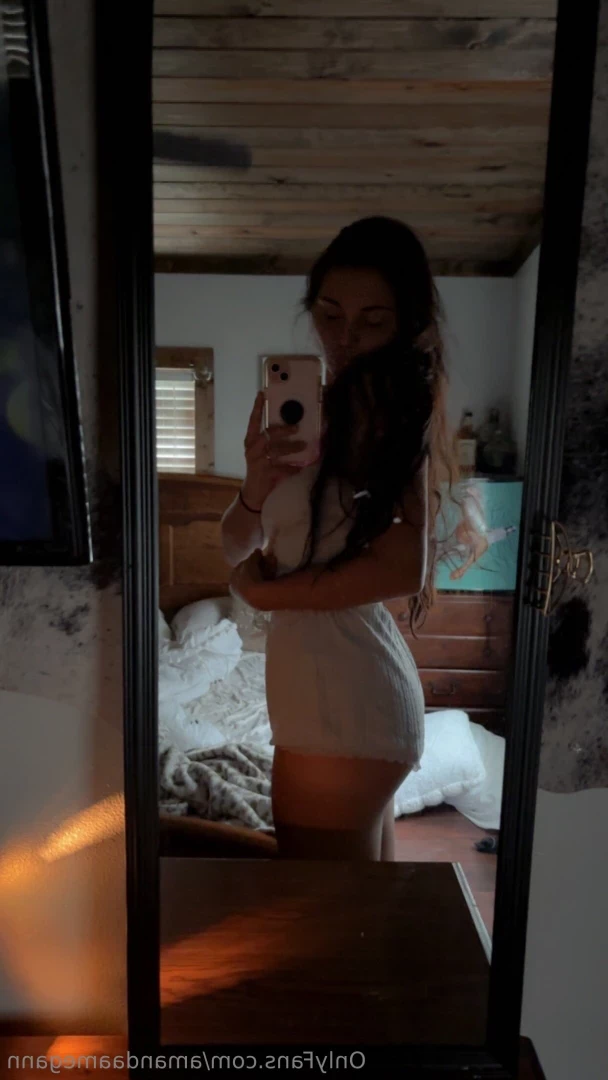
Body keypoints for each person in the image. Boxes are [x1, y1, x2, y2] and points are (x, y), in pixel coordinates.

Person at [221, 217, 458, 861]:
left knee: (320, 907)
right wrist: (255, 486)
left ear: (406, 325)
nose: (345, 337)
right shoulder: (308, 411)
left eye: (372, 320)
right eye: (329, 315)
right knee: (360, 906)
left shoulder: (391, 414)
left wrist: (266, 598)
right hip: (339, 698)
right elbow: (233, 548)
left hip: (339, 702)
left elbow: (404, 567)